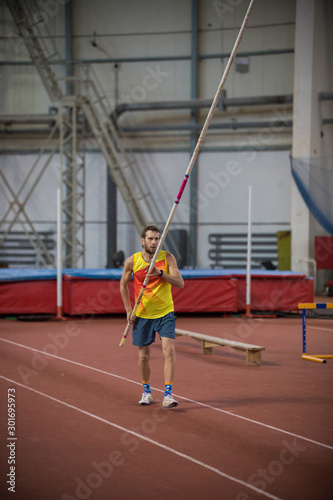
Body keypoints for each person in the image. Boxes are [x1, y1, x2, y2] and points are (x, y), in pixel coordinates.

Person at [120, 225, 184, 408]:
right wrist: (128, 309)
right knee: (143, 357)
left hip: (165, 312)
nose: (154, 242)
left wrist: (161, 274)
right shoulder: (133, 261)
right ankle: (146, 391)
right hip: (142, 314)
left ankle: (168, 395)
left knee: (169, 351)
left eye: (157, 239)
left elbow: (180, 283)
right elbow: (122, 284)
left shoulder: (167, 258)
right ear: (143, 241)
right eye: (150, 239)